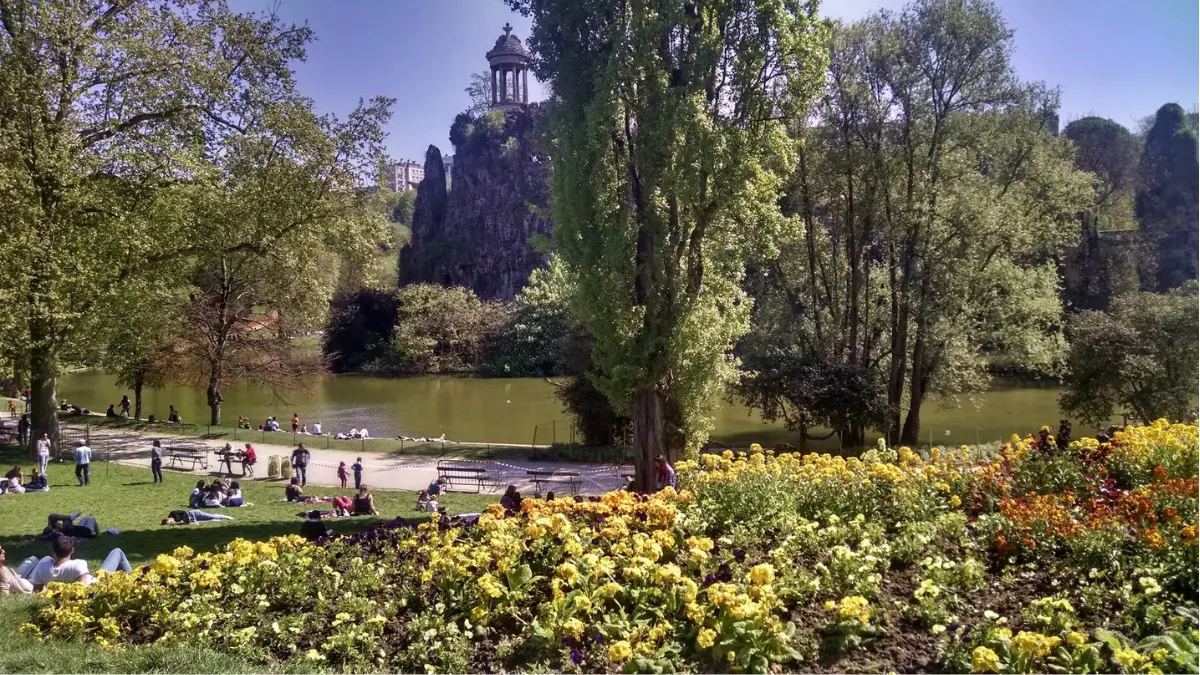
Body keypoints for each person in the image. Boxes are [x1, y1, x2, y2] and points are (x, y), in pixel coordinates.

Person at [21, 536, 131, 590]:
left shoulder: (43, 565)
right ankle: (135, 581)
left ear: (53, 551)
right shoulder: (78, 565)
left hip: (60, 586)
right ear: (72, 550)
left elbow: (37, 590)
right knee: (117, 552)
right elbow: (81, 590)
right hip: (99, 583)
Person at [162, 509, 234, 525]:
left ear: (168, 519)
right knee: (210, 520)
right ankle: (224, 520)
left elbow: (184, 512)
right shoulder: (175, 523)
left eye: (170, 522)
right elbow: (186, 523)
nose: (172, 523)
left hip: (194, 514)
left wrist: (182, 520)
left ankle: (226, 517)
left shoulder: (173, 513)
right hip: (193, 520)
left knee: (211, 516)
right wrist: (193, 523)